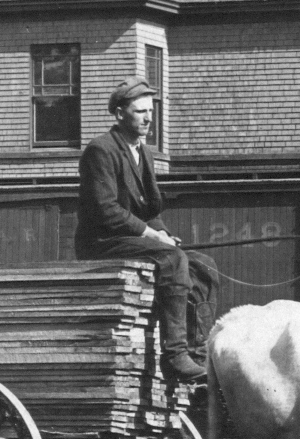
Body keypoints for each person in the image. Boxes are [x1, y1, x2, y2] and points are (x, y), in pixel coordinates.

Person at [76, 75, 218, 383]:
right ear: (120, 114)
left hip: (131, 237)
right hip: (102, 241)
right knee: (172, 259)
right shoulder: (100, 150)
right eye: (141, 111)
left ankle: (198, 353)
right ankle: (175, 355)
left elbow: (148, 210)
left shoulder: (143, 152)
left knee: (203, 266)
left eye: (150, 111)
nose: (148, 117)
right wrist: (152, 236)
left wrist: (162, 232)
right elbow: (106, 210)